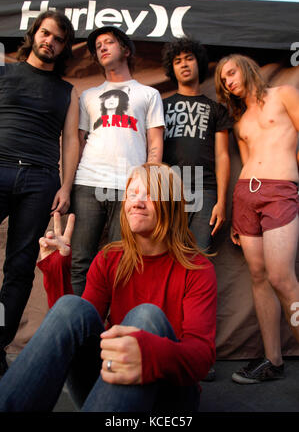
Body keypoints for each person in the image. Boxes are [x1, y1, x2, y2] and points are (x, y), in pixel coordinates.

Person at [0, 162, 217, 413]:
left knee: (145, 317)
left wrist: (148, 353)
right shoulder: (109, 258)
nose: (136, 202)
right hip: (110, 386)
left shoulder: (197, 268)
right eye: (132, 194)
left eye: (149, 195)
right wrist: (56, 269)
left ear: (170, 204)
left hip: (170, 396)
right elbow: (79, 330)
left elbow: (201, 358)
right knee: (72, 306)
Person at [0, 10, 79, 377]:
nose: (50, 41)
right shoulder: (5, 71)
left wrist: (65, 185)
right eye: (45, 33)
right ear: (34, 35)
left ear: (64, 47)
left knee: (19, 268)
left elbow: (71, 140)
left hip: (40, 181)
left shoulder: (67, 91)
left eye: (58, 38)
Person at [215, 53, 299, 384]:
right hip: (246, 198)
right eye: (223, 79)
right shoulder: (240, 121)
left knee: (282, 278)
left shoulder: (284, 94)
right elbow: (247, 163)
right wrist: (237, 213)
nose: (228, 81)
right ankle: (272, 360)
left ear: (247, 68)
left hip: (280, 191)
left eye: (231, 72)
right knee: (259, 276)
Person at [71, 26, 165, 296]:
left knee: (120, 263)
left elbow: (155, 144)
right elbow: (77, 143)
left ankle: (111, 332)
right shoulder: (88, 96)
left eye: (109, 42)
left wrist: (148, 185)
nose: (102, 47)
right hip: (87, 184)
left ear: (125, 50)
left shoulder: (148, 94)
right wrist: (66, 186)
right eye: (98, 45)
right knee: (80, 261)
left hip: (130, 190)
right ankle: (78, 327)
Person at [162, 37, 232, 252]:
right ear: (171, 69)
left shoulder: (216, 109)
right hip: (168, 191)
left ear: (198, 63)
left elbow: (222, 156)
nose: (184, 64)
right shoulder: (160, 106)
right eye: (177, 61)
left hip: (206, 191)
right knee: (166, 256)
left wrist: (221, 202)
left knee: (198, 257)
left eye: (189, 58)